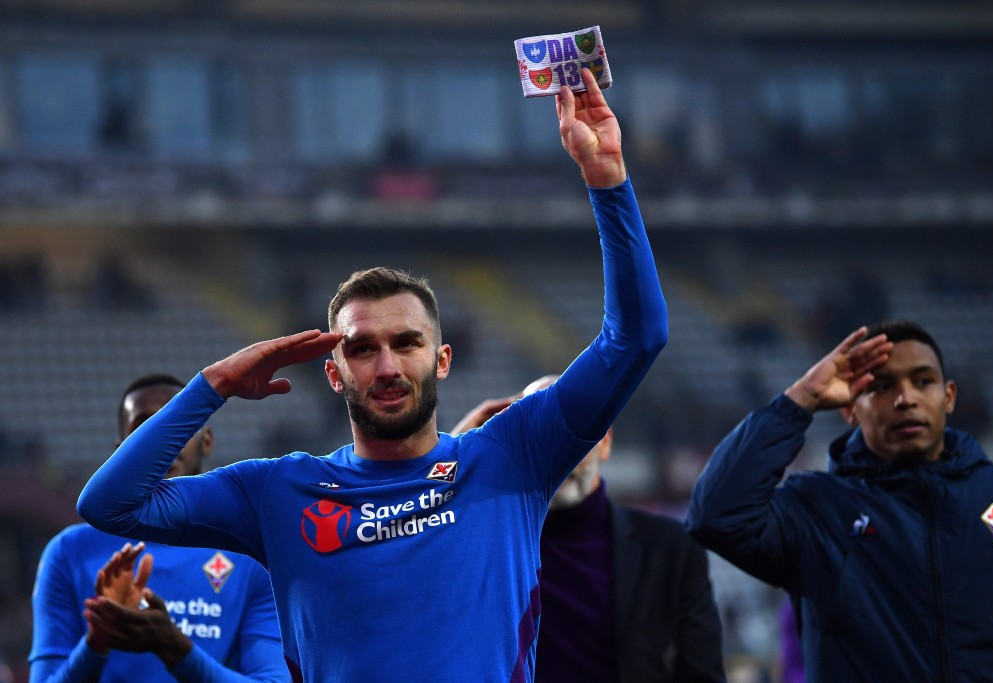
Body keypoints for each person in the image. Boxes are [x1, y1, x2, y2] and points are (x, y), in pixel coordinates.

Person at [77, 65, 669, 682]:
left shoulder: (513, 454)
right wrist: (215, 384)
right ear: (334, 375)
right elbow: (110, 504)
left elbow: (637, 338)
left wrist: (608, 180)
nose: (386, 366)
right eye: (362, 349)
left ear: (442, 359)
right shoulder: (277, 492)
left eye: (406, 344)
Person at [686, 320, 993, 683]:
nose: (906, 398)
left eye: (923, 381)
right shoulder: (818, 509)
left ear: (950, 396)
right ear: (849, 409)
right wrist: (799, 400)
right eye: (882, 386)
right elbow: (716, 515)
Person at [452, 375, 725, 683]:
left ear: (605, 442)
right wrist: (461, 447)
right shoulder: (488, 546)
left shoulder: (670, 548)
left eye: (576, 429)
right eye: (542, 433)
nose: (561, 451)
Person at [30, 374, 289, 683]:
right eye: (145, 427)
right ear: (123, 451)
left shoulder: (249, 556)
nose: (164, 441)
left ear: (207, 441)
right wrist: (97, 641)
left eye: (180, 424)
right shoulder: (70, 552)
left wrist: (173, 646)